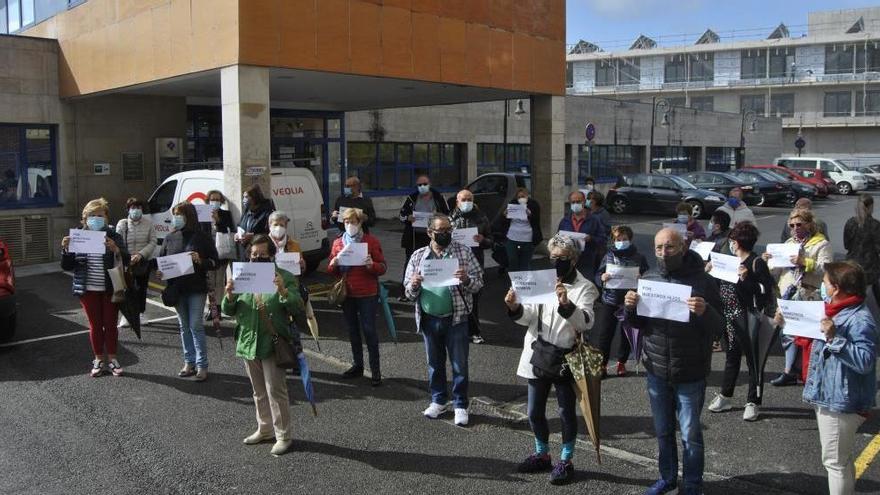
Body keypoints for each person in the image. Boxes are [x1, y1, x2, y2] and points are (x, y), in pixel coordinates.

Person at [623, 227, 723, 495]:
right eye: (658, 248)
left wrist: (705, 311)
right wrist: (630, 307)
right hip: (656, 368)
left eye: (670, 247)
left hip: (690, 370)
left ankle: (691, 485)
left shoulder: (704, 281)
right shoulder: (651, 277)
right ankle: (667, 478)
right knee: (663, 430)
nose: (663, 253)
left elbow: (721, 326)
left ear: (683, 247)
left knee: (690, 434)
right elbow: (638, 324)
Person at [775, 261, 877, 495]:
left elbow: (865, 361)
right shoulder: (833, 310)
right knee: (843, 458)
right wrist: (785, 323)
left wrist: (835, 339)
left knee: (834, 462)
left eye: (825, 282)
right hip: (830, 396)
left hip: (841, 401)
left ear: (837, 288)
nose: (822, 286)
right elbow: (809, 337)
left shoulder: (859, 320)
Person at [505, 234, 599, 485]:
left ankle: (566, 460)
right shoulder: (542, 281)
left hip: (566, 357)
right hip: (538, 353)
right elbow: (528, 317)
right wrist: (515, 307)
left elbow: (586, 322)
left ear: (574, 259)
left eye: (562, 258)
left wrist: (566, 304)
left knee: (566, 412)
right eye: (553, 258)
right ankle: (542, 453)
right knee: (534, 411)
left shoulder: (585, 287)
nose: (556, 262)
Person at [221, 234, 304, 457]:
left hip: (271, 340)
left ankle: (283, 435)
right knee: (258, 392)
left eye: (263, 255)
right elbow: (228, 310)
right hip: (248, 340)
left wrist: (284, 291)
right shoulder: (242, 275)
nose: (257, 258)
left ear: (272, 255)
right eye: (254, 254)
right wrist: (229, 295)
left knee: (275, 390)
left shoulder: (284, 276)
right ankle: (265, 429)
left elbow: (297, 307)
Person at [403, 214, 484, 427]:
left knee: (459, 365)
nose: (446, 234)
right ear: (430, 232)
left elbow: (478, 284)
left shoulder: (463, 252)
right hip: (429, 320)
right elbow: (409, 294)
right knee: (434, 364)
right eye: (441, 231)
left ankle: (460, 404)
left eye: (449, 230)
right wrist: (413, 284)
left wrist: (466, 279)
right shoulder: (419, 256)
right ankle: (438, 400)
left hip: (456, 319)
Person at [705, 222, 776, 421]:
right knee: (731, 357)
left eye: (732, 241)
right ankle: (726, 395)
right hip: (729, 317)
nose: (731, 244)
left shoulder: (755, 263)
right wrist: (709, 270)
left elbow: (764, 289)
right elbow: (717, 286)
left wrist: (747, 279)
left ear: (737, 242)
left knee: (753, 360)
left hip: (748, 317)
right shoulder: (727, 260)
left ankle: (753, 401)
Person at [61, 198, 129, 377]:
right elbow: (67, 266)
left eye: (100, 215)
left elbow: (127, 259)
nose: (96, 219)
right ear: (85, 218)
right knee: (95, 325)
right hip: (87, 288)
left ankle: (113, 359)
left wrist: (116, 249)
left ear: (106, 217)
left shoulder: (114, 236)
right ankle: (98, 359)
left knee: (110, 325)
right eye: (92, 216)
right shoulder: (78, 236)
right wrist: (66, 250)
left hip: (109, 288)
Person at [764, 209, 833, 387]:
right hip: (788, 294)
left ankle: (811, 372)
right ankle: (789, 372)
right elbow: (776, 271)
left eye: (799, 224)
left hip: (809, 294)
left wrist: (805, 262)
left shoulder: (821, 244)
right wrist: (769, 262)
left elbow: (826, 269)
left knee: (809, 335)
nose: (795, 228)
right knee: (787, 332)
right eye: (792, 225)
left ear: (809, 224)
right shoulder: (788, 243)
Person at [158, 202, 219, 381]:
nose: (176, 218)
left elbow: (215, 262)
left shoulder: (202, 237)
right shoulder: (170, 237)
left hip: (196, 289)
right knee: (184, 327)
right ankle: (189, 362)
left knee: (195, 325)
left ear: (189, 216)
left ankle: (202, 365)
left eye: (179, 214)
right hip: (176, 289)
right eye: (175, 214)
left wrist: (201, 261)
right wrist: (160, 271)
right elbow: (161, 261)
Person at [327, 208, 387, 386]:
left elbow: (383, 267)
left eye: (353, 222)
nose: (350, 225)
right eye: (346, 222)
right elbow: (332, 271)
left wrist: (372, 265)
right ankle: (357, 365)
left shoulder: (371, 241)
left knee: (369, 331)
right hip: (347, 294)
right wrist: (333, 264)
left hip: (367, 293)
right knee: (353, 331)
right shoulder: (338, 242)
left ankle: (375, 370)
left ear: (360, 223)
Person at [595, 225, 649, 377]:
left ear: (630, 240)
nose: (621, 241)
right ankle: (602, 364)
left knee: (626, 333)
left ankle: (621, 362)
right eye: (618, 239)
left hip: (629, 301)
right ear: (613, 241)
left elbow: (648, 276)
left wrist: (642, 278)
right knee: (605, 334)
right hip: (610, 300)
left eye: (624, 239)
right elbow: (598, 275)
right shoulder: (608, 256)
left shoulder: (639, 257)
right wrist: (601, 278)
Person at [449, 189, 493, 344]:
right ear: (457, 201)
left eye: (469, 199)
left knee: (474, 298)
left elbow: (491, 240)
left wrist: (483, 240)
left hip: (475, 262)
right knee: (455, 297)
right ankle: (456, 331)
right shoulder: (450, 218)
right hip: (456, 262)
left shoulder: (481, 218)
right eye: (463, 199)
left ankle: (474, 332)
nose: (466, 202)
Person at [398, 175, 450, 302]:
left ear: (429, 184)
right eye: (419, 185)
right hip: (414, 236)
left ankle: (436, 286)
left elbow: (448, 214)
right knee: (410, 262)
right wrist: (408, 218)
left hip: (433, 236)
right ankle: (407, 291)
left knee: (435, 260)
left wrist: (438, 216)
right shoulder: (412, 197)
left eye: (424, 184)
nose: (422, 187)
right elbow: (401, 215)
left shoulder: (438, 197)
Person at [116, 197, 157, 327]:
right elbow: (119, 242)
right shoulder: (122, 224)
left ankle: (141, 313)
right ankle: (126, 315)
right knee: (126, 288)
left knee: (141, 288)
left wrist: (140, 255)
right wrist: (128, 257)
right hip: (126, 262)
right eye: (133, 208)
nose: (136, 210)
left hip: (143, 261)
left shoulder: (148, 223)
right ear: (128, 209)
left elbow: (153, 241)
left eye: (138, 208)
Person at [558, 190, 605, 281]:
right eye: (573, 202)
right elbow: (558, 239)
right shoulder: (565, 221)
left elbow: (603, 239)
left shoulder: (594, 220)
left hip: (587, 262)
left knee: (586, 289)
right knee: (569, 289)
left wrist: (591, 238)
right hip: (568, 262)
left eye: (578, 201)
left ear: (584, 202)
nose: (576, 204)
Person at [494, 187, 543, 272]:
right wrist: (504, 215)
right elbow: (503, 221)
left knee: (525, 263)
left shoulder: (534, 204)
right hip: (512, 237)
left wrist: (530, 214)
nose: (521, 199)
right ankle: (514, 283)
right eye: (519, 197)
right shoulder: (513, 204)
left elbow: (536, 222)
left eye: (523, 196)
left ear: (527, 196)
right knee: (513, 261)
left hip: (528, 239)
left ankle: (524, 283)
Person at [204, 190, 235, 319]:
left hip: (221, 252)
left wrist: (218, 221)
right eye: (212, 199)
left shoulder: (226, 214)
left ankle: (218, 308)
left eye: (217, 199)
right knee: (210, 282)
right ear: (208, 201)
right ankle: (212, 309)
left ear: (221, 201)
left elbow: (230, 230)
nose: (215, 202)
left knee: (219, 281)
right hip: (208, 253)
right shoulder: (203, 214)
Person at [843, 194, 880, 293]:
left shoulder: (850, 222)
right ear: (870, 206)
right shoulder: (875, 224)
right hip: (870, 268)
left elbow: (846, 245)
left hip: (852, 266)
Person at [236, 184, 274, 257]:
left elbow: (270, 234)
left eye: (246, 197)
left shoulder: (267, 213)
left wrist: (253, 236)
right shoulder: (247, 211)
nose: (244, 199)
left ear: (254, 198)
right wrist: (237, 235)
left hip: (259, 253)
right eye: (243, 197)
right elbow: (240, 226)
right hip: (244, 252)